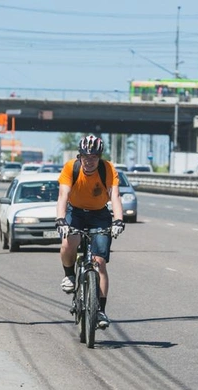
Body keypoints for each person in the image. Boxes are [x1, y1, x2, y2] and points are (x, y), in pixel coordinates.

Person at [55, 135, 125, 329]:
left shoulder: (107, 169)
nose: (89, 161)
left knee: (100, 262)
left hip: (99, 214)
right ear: (79, 156)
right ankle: (69, 274)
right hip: (75, 212)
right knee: (69, 241)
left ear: (99, 157)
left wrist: (119, 220)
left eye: (93, 157)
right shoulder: (71, 167)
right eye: (85, 156)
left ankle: (100, 310)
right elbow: (63, 196)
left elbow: (115, 197)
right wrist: (61, 220)